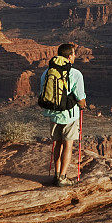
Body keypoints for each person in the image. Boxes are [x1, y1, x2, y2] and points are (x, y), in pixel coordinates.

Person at [40, 43, 86, 187]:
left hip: (53, 114)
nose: (75, 56)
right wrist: (83, 105)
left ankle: (56, 174)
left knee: (57, 144)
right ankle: (63, 177)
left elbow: (43, 93)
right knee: (68, 144)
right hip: (69, 115)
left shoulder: (46, 72)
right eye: (74, 53)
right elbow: (80, 98)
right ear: (69, 56)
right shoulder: (75, 73)